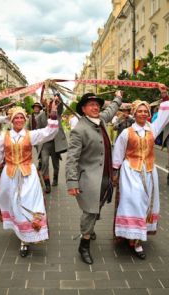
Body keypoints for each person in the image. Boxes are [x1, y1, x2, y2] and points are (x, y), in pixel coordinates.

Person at [0, 103, 59, 257]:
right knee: (15, 205)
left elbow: (50, 132)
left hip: (28, 176)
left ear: (25, 120)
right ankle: (23, 234)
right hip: (9, 176)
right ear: (11, 120)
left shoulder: (31, 135)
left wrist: (54, 112)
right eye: (16, 117)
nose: (19, 120)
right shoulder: (4, 137)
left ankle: (26, 239)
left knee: (29, 203)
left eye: (22, 117)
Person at [112, 86, 169, 260]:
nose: (144, 114)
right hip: (130, 171)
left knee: (146, 204)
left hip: (149, 171)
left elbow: (165, 115)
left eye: (146, 111)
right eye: (140, 111)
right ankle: (134, 239)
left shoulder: (152, 128)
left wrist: (164, 95)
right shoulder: (126, 132)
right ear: (134, 113)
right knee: (134, 200)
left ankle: (136, 238)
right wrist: (115, 173)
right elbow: (118, 152)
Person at [65, 90, 123, 265]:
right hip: (89, 180)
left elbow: (111, 110)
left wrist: (118, 98)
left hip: (105, 177)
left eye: (97, 104)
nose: (95, 107)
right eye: (91, 104)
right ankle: (84, 244)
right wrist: (72, 182)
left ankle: (90, 231)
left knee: (97, 206)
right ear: (83, 109)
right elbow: (72, 159)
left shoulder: (101, 120)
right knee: (90, 212)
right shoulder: (79, 130)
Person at [36, 94, 68, 192]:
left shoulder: (57, 113)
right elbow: (38, 132)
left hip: (56, 143)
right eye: (48, 103)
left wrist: (58, 97)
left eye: (51, 103)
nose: (49, 105)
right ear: (44, 104)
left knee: (56, 164)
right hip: (45, 144)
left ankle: (55, 178)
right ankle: (47, 183)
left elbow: (61, 105)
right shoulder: (40, 117)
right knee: (44, 163)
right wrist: (37, 148)